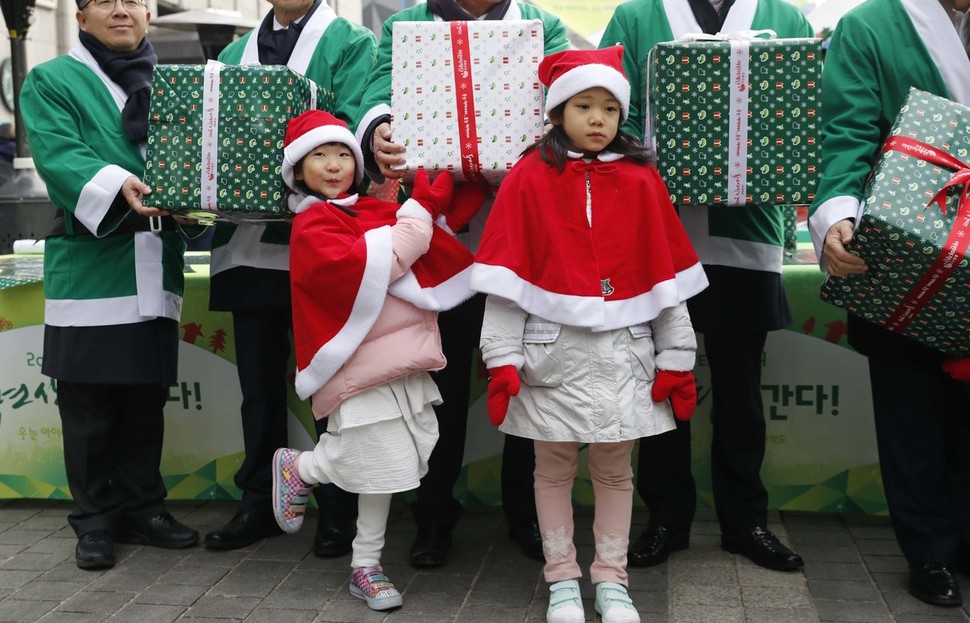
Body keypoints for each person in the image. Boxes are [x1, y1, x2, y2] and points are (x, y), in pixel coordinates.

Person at [472, 46, 709, 623]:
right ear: (558, 111)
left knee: (614, 470)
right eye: (584, 105)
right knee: (551, 469)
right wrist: (500, 358)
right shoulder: (528, 177)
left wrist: (678, 357)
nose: (599, 118)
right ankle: (560, 580)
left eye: (609, 107)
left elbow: (666, 280)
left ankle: (611, 579)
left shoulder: (642, 180)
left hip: (625, 358)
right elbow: (508, 282)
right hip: (551, 358)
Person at [351, 0, 569, 569]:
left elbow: (567, 94)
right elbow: (377, 91)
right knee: (437, 388)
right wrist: (379, 130)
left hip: (520, 237)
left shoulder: (542, 25)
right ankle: (432, 515)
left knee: (530, 379)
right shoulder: (406, 23)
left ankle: (529, 514)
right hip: (439, 240)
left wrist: (552, 124)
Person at [599, 0, 813, 571]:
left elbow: (800, 116)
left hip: (748, 235)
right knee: (662, 381)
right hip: (660, 234)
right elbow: (612, 107)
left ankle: (746, 520)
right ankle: (666, 516)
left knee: (741, 390)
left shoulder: (784, 18)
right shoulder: (636, 15)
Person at [19, 0, 202, 569]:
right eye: (104, 0)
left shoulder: (177, 84)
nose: (121, 9)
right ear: (80, 15)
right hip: (91, 263)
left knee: (146, 397)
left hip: (154, 256)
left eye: (133, 0)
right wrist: (122, 181)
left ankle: (144, 508)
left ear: (148, 14)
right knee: (90, 403)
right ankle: (95, 521)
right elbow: (58, 155)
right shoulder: (51, 80)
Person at [269, 110, 476, 612]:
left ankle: (364, 561)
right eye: (320, 155)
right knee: (377, 458)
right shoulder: (313, 222)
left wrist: (454, 178)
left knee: (396, 461)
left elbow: (428, 232)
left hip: (401, 360)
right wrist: (422, 209)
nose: (335, 164)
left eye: (343, 154)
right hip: (356, 364)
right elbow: (393, 253)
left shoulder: (370, 209)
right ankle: (309, 474)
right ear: (298, 171)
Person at [808, 0, 970, 607]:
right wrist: (836, 218)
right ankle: (928, 551)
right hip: (908, 248)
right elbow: (844, 131)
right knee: (912, 406)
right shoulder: (870, 26)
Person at [202, 0, 377, 554]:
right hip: (244, 245)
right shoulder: (232, 53)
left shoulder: (351, 42)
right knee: (256, 388)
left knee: (335, 389)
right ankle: (257, 500)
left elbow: (351, 132)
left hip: (320, 246)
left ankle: (338, 509)